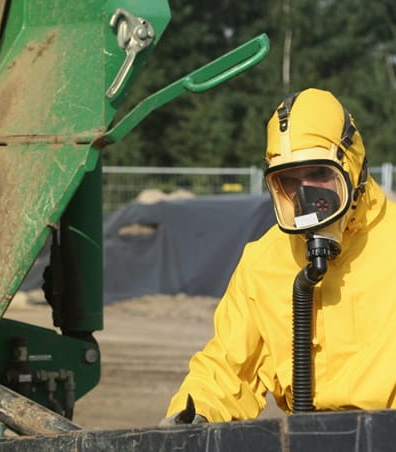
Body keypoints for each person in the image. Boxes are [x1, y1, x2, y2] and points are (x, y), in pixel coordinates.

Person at [162, 88, 396, 424]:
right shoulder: (263, 262)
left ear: (352, 165)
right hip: (304, 438)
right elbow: (228, 369)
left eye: (318, 174)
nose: (307, 195)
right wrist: (193, 416)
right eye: (289, 180)